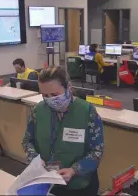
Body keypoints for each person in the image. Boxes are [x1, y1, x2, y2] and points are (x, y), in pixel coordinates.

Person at [22, 66, 104, 196]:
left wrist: (74, 170)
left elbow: (97, 151)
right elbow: (27, 141)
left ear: (68, 88)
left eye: (54, 95)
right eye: (45, 95)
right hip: (47, 182)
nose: (50, 99)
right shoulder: (38, 111)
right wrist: (34, 158)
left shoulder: (87, 112)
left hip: (79, 186)